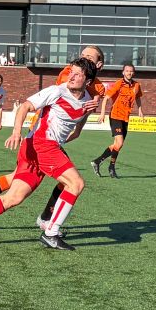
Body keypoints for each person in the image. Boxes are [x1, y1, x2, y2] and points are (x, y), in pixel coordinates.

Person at [0, 57, 96, 251]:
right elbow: (25, 107)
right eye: (71, 71)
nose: (71, 76)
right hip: (40, 144)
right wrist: (16, 132)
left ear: (88, 81)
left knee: (14, 197)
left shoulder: (88, 102)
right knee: (76, 183)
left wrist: (66, 136)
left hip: (45, 147)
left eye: (77, 74)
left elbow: (76, 132)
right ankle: (50, 231)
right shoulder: (56, 91)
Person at [37, 46, 105, 227]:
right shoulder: (69, 74)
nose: (83, 58)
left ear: (99, 64)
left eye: (89, 57)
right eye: (82, 55)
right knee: (73, 183)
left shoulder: (97, 86)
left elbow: (87, 108)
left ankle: (46, 219)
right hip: (43, 137)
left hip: (54, 141)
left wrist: (95, 106)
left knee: (66, 183)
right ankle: (49, 226)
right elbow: (65, 97)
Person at [92, 63, 143, 176]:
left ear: (133, 72)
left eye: (131, 71)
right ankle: (111, 167)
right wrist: (102, 114)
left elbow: (138, 97)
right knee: (119, 143)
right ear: (123, 72)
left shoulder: (136, 85)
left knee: (117, 145)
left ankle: (97, 161)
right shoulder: (119, 83)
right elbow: (105, 98)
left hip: (125, 118)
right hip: (115, 116)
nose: (129, 73)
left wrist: (140, 110)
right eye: (127, 71)